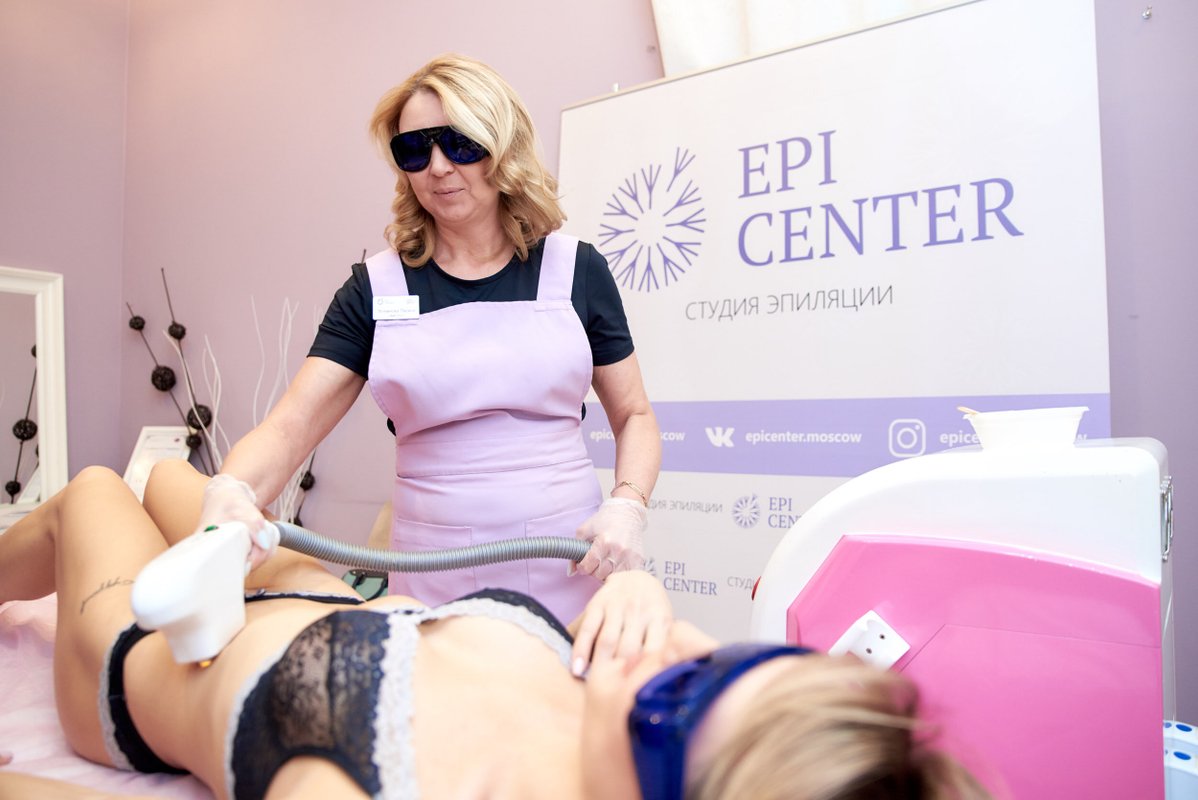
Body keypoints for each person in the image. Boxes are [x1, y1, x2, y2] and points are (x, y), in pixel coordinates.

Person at [0, 463, 989, 800]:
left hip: (151, 657)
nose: (678, 648)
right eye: (731, 654)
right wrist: (641, 593)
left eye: (681, 692)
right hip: (315, 600)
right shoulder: (615, 694)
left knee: (93, 489)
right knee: (183, 480)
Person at [202, 53, 661, 622]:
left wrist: (628, 505)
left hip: (568, 564)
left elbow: (634, 415)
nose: (438, 167)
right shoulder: (375, 287)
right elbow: (290, 426)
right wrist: (232, 490)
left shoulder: (576, 271)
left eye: (459, 144)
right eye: (415, 150)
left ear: (504, 146)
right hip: (432, 577)